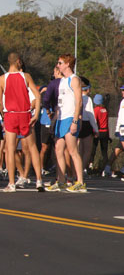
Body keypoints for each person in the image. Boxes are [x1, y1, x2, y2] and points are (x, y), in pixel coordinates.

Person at [0, 53, 44, 192]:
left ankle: (11, 183)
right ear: (18, 62)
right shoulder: (26, 76)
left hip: (10, 115)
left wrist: (3, 115)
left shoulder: (1, 79)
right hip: (25, 114)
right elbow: (38, 95)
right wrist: (36, 114)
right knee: (32, 147)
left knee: (10, 149)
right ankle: (39, 180)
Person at [47, 54, 86, 192]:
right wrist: (55, 118)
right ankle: (61, 180)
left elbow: (79, 101)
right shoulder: (62, 81)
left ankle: (80, 181)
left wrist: (75, 121)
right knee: (58, 150)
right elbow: (60, 102)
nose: (58, 65)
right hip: (60, 119)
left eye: (60, 63)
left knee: (72, 151)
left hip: (70, 118)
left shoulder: (75, 80)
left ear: (67, 64)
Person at [78, 77, 98, 174]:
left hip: (78, 123)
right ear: (88, 89)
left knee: (79, 149)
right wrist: (96, 129)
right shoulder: (88, 99)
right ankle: (81, 170)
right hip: (86, 124)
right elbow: (91, 115)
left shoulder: (77, 97)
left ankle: (76, 170)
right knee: (87, 150)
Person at [92, 94, 110, 175]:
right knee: (104, 151)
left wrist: (93, 131)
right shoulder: (105, 110)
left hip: (98, 132)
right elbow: (106, 123)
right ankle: (105, 169)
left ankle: (90, 165)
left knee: (93, 149)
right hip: (105, 132)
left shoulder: (96, 110)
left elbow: (95, 122)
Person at [113, 85, 124, 179]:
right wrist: (117, 129)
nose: (122, 92)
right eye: (122, 90)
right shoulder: (122, 102)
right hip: (122, 128)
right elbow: (120, 116)